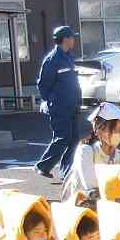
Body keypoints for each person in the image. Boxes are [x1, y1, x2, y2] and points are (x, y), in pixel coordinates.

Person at [34, 25, 83, 181]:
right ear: (65, 39)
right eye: (72, 37)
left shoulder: (69, 57)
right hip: (60, 106)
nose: (74, 40)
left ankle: (66, 172)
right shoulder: (52, 59)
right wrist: (51, 101)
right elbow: (43, 85)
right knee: (63, 138)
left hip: (72, 105)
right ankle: (43, 166)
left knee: (74, 139)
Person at [64, 103, 120, 205]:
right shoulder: (85, 151)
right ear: (98, 130)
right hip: (79, 209)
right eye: (113, 130)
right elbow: (91, 189)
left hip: (107, 207)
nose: (117, 134)